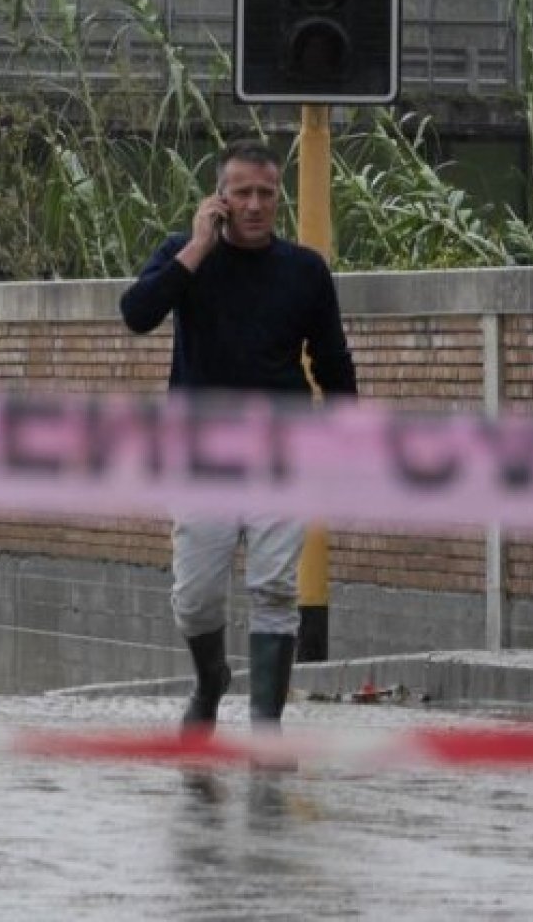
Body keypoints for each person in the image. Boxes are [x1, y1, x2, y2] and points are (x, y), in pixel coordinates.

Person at [118, 140, 357, 736]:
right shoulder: (184, 256)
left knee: (275, 586)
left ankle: (266, 726)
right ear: (219, 198)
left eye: (267, 194)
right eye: (243, 192)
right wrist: (198, 247)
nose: (255, 205)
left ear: (279, 197)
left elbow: (333, 362)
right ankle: (209, 680)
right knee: (197, 594)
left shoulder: (305, 270)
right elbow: (136, 313)